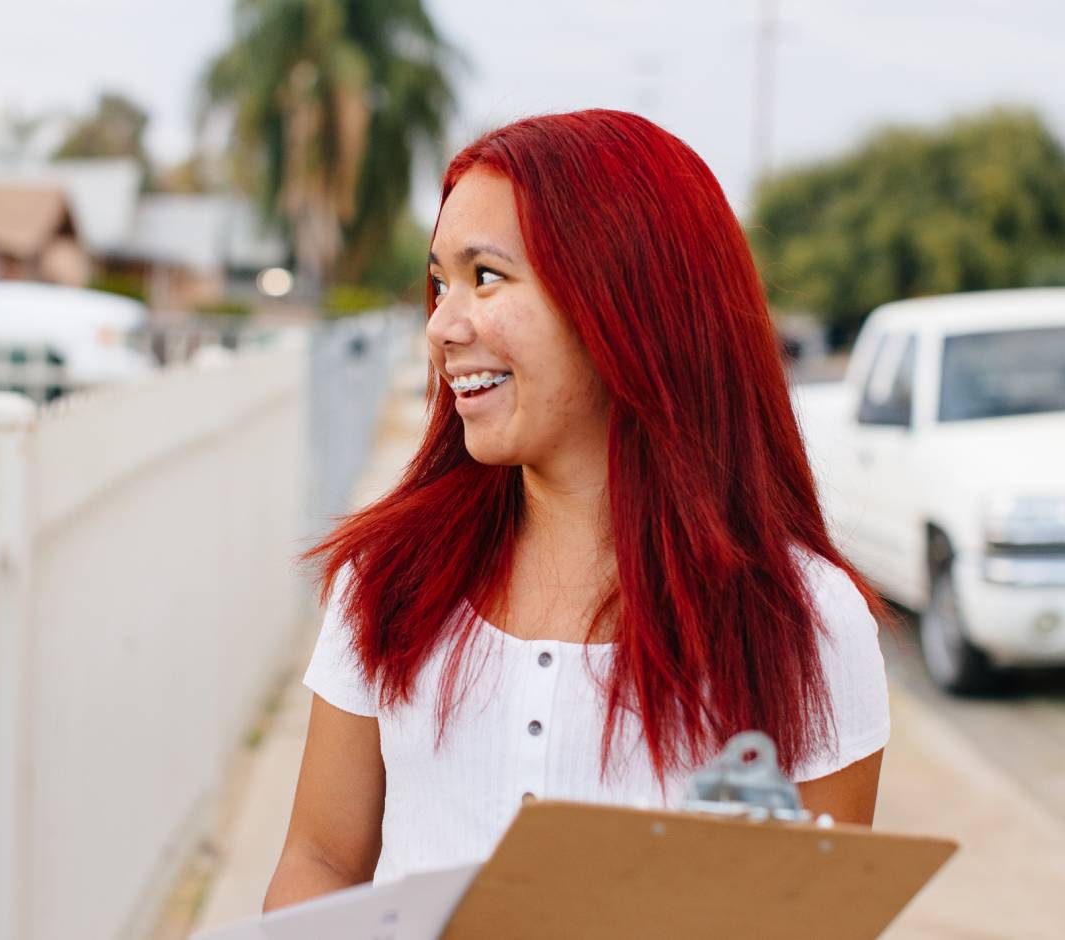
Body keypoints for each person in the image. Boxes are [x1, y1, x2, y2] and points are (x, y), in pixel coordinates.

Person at [265, 109, 893, 911]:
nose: (442, 326)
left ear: (624, 301)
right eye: (438, 283)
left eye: (485, 276)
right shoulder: (387, 580)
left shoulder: (804, 622)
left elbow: (814, 921)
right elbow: (319, 857)